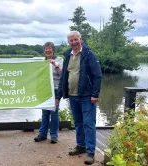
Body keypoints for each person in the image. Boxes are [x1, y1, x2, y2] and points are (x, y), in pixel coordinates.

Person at [56, 31, 102, 165]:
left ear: (80, 39)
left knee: (88, 124)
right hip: (73, 95)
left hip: (87, 96)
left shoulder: (89, 54)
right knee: (78, 123)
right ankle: (81, 146)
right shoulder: (67, 55)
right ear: (68, 42)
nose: (74, 42)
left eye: (76, 39)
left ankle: (90, 152)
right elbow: (64, 77)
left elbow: (97, 75)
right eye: (71, 41)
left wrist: (95, 94)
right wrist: (58, 95)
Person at [34, 42, 62, 144]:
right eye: (46, 49)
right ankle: (42, 134)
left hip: (55, 90)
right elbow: (39, 78)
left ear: (53, 50)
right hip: (45, 90)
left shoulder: (59, 60)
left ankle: (54, 135)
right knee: (45, 113)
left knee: (54, 113)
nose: (47, 51)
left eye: (49, 48)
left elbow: (63, 74)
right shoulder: (42, 63)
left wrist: (55, 65)